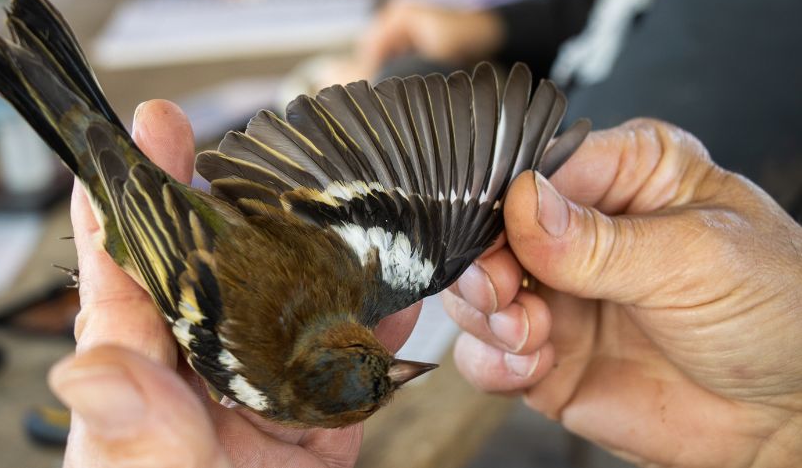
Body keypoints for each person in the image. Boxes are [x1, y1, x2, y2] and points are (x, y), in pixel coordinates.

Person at [50, 100, 802, 467]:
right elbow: (183, 300)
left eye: (377, 369)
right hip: (179, 237)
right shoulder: (251, 375)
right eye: (388, 371)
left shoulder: (273, 359)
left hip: (181, 232)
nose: (395, 362)